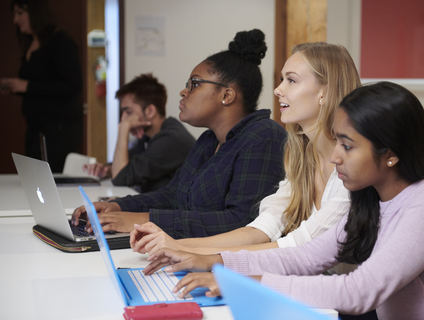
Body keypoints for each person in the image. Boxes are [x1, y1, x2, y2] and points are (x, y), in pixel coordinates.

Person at [145, 82, 424, 319]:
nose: (334, 157)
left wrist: (243, 283)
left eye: (347, 145)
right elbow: (304, 259)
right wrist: (211, 263)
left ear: (389, 154)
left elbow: (360, 291)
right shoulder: (369, 200)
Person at [130, 42, 361, 256]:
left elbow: (300, 247)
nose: (277, 90)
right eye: (281, 80)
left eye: (291, 80)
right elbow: (262, 229)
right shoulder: (302, 158)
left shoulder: (352, 165)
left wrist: (200, 255)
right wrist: (177, 246)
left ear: (324, 92)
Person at [72, 29, 286, 237]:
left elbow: (243, 222)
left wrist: (145, 220)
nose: (184, 92)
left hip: (221, 264)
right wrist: (117, 206)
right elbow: (173, 195)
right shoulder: (209, 140)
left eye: (194, 84)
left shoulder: (264, 136)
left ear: (227, 95)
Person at [1, 0, 83, 172]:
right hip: (35, 129)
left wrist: (27, 87)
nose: (15, 20)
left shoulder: (60, 42)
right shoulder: (31, 43)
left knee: (51, 181)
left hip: (57, 132)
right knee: (35, 180)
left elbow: (72, 85)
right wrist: (15, 87)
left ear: (35, 13)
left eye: (20, 13)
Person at [83, 73, 195, 192]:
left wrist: (124, 128)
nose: (123, 118)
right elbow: (126, 167)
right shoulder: (149, 137)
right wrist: (106, 169)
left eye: (128, 112)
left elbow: (120, 178)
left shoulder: (171, 140)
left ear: (150, 111)